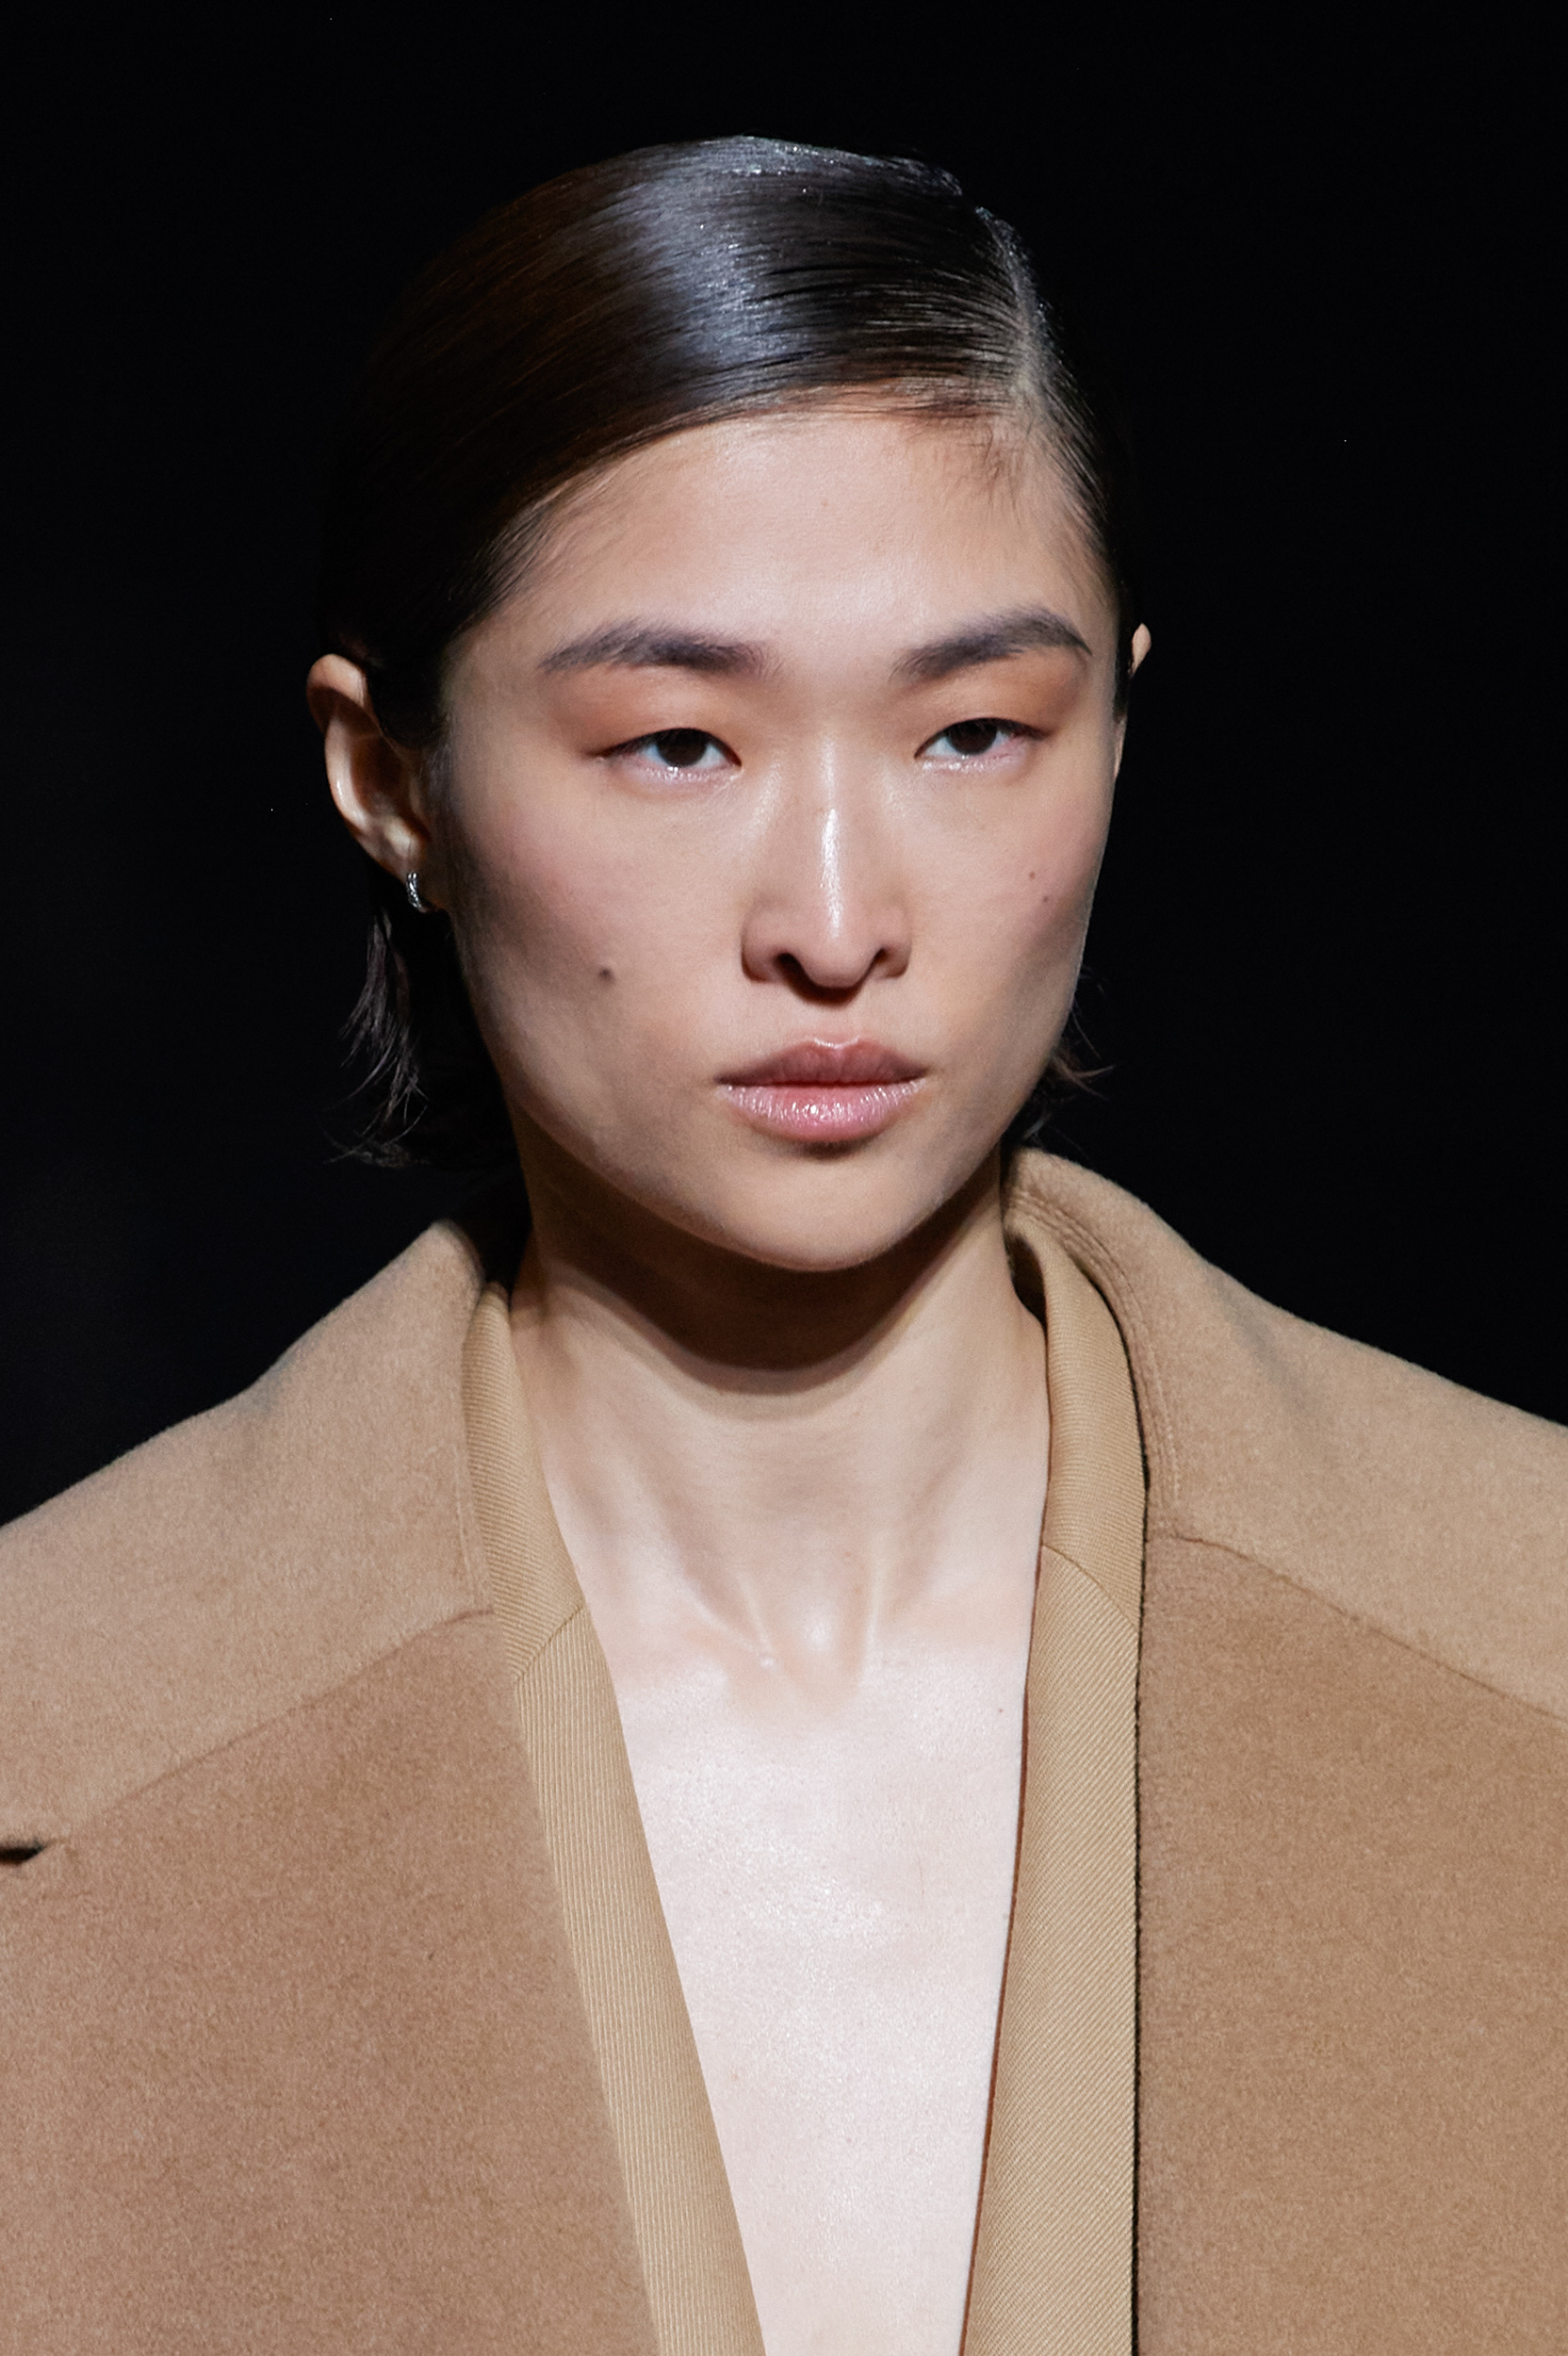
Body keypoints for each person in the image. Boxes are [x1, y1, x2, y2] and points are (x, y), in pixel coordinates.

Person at [2, 137, 1563, 2356]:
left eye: (972, 733)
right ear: (391, 777)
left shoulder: (1521, 1644)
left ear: (1118, 729)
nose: (836, 921)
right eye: (676, 743)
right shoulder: (63, 1743)